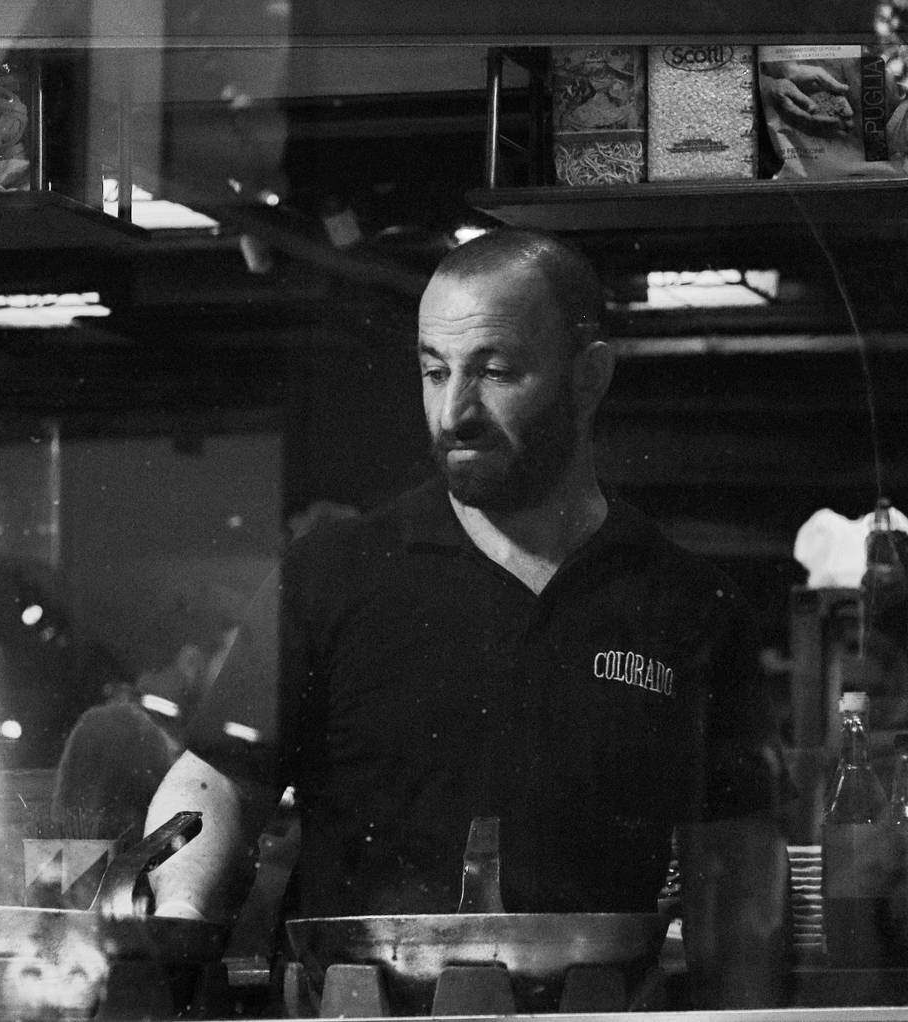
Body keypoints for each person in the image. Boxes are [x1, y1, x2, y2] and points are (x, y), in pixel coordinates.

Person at [143, 229, 788, 1008]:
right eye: (434, 371)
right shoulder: (334, 575)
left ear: (589, 377)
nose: (455, 411)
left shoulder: (686, 606)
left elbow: (736, 869)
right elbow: (218, 778)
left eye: (496, 371)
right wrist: (180, 910)